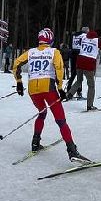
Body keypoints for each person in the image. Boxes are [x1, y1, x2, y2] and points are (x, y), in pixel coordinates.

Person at [11, 27, 85, 160]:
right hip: (49, 89)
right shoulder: (54, 52)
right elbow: (59, 68)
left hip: (33, 89)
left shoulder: (30, 52)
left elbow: (16, 64)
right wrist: (61, 88)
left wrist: (19, 82)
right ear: (50, 40)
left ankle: (35, 142)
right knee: (61, 120)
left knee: (42, 113)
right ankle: (72, 151)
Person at [67, 27, 99, 109]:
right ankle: (89, 105)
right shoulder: (90, 38)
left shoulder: (79, 36)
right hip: (87, 61)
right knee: (91, 85)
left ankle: (69, 93)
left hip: (78, 58)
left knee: (78, 79)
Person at [67, 27, 86, 91]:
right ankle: (78, 90)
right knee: (79, 73)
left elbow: (70, 45)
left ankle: (69, 88)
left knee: (73, 73)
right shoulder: (84, 36)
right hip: (80, 55)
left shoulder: (73, 35)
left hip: (73, 55)